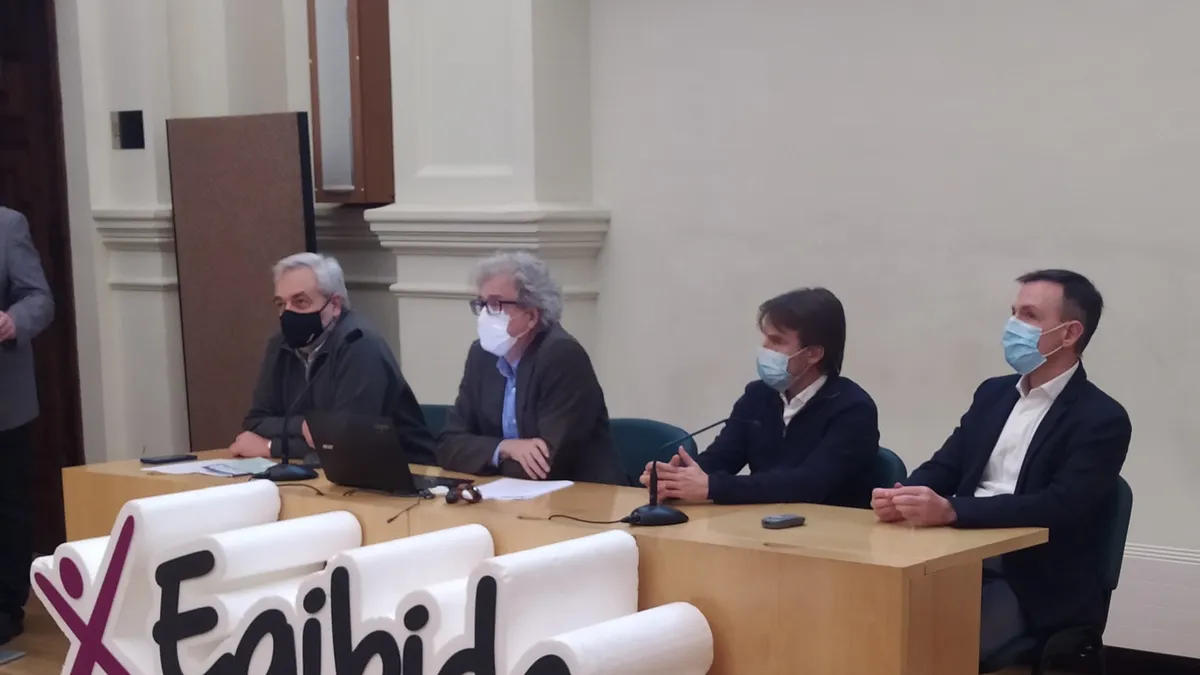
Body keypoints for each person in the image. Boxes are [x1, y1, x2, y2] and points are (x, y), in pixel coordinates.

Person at [871, 270, 1131, 664]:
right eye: (1013, 312)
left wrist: (954, 510)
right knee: (866, 624)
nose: (1013, 325)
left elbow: (1058, 506)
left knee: (925, 649)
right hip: (954, 556)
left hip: (1029, 579)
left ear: (1069, 333)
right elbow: (946, 464)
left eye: (1029, 315)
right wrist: (902, 495)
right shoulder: (993, 394)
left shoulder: (1102, 418)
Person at [643, 288, 880, 506]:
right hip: (761, 523)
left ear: (813, 354)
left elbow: (810, 484)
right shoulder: (758, 396)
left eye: (777, 341)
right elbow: (722, 457)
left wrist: (713, 487)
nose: (764, 349)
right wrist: (675, 479)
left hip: (831, 529)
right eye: (765, 338)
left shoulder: (854, 409)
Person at [437, 251, 624, 485]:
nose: (484, 314)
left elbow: (547, 464)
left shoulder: (562, 356)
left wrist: (482, 457)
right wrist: (504, 448)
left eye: (495, 304)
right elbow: (448, 445)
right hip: (506, 497)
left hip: (580, 497)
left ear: (532, 315)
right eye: (481, 304)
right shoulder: (481, 356)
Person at [232, 253, 436, 465]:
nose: (287, 314)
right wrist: (302, 426)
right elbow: (256, 422)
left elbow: (347, 443)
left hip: (405, 473)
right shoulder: (281, 344)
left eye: (300, 302)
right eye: (281, 304)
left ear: (335, 305)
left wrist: (271, 446)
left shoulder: (359, 344)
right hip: (322, 471)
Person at [0, 207, 54, 643]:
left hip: (4, 403)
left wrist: (12, 321)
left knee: (6, 507)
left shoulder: (8, 225)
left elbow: (40, 299)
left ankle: (6, 606)